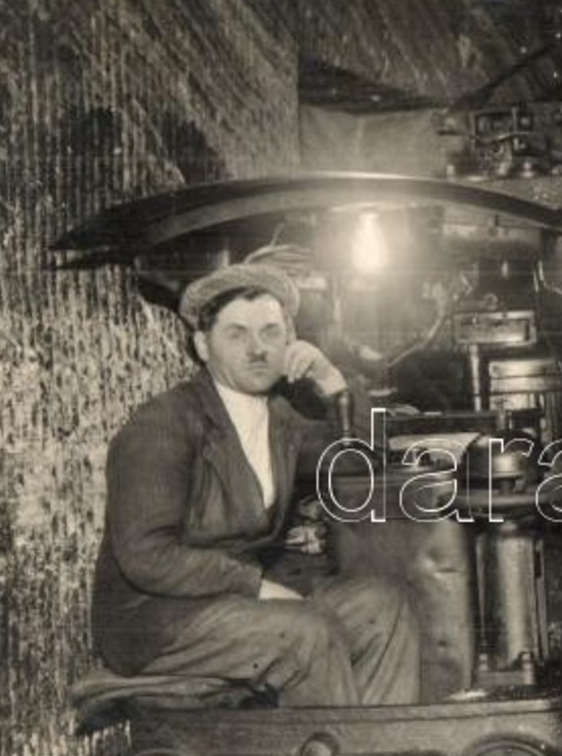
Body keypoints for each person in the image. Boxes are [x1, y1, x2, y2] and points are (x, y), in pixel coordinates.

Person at [89, 262, 421, 707]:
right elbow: (146, 555)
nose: (257, 349)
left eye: (270, 332)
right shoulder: (164, 422)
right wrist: (258, 587)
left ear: (290, 341)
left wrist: (330, 379)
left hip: (237, 602)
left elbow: (365, 456)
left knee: (383, 605)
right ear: (203, 347)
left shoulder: (280, 420)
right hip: (157, 619)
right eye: (237, 334)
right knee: (305, 633)